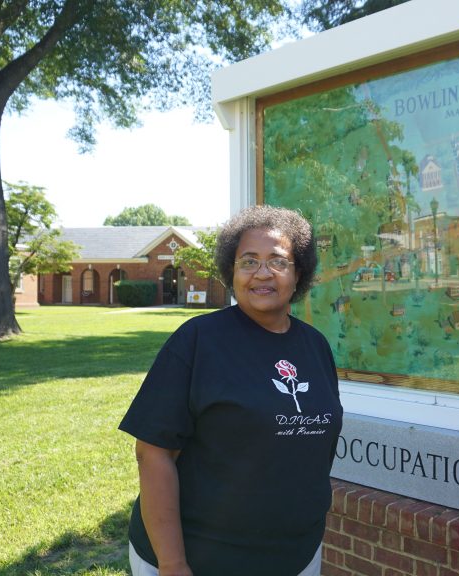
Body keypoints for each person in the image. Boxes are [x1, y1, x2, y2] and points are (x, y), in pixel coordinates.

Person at [119, 205, 343, 576]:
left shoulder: (315, 346)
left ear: (298, 272)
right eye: (248, 262)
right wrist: (172, 564)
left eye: (278, 261)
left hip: (295, 556)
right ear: (231, 271)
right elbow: (153, 454)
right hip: (199, 559)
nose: (262, 273)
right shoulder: (198, 341)